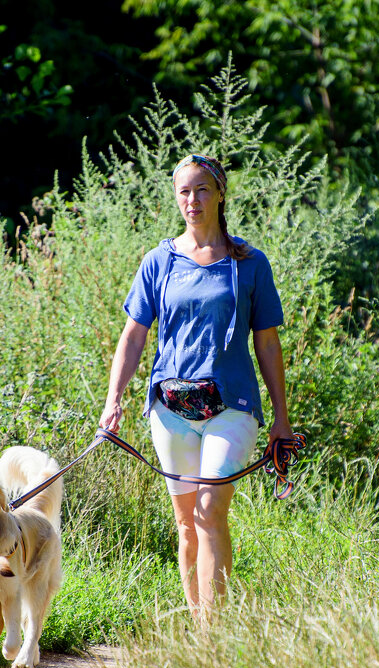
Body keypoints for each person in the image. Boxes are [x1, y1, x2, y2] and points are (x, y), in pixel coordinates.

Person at [98, 153, 293, 620]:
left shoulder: (250, 264)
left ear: (220, 193)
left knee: (209, 511)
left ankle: (213, 632)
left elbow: (267, 343)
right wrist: (114, 401)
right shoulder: (159, 261)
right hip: (170, 407)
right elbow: (134, 335)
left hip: (233, 406)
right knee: (186, 525)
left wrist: (282, 419)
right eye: (184, 191)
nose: (192, 200)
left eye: (202, 189)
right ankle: (197, 623)